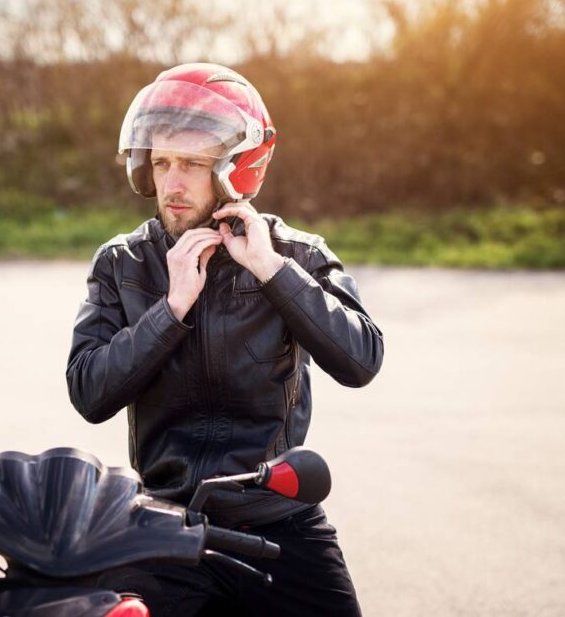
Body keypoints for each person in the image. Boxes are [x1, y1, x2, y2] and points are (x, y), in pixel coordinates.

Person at [66, 63, 384, 616]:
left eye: (192, 163)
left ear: (240, 169)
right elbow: (89, 393)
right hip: (162, 522)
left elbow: (361, 359)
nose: (172, 182)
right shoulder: (123, 261)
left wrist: (272, 270)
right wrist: (170, 310)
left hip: (278, 517)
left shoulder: (296, 254)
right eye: (161, 162)